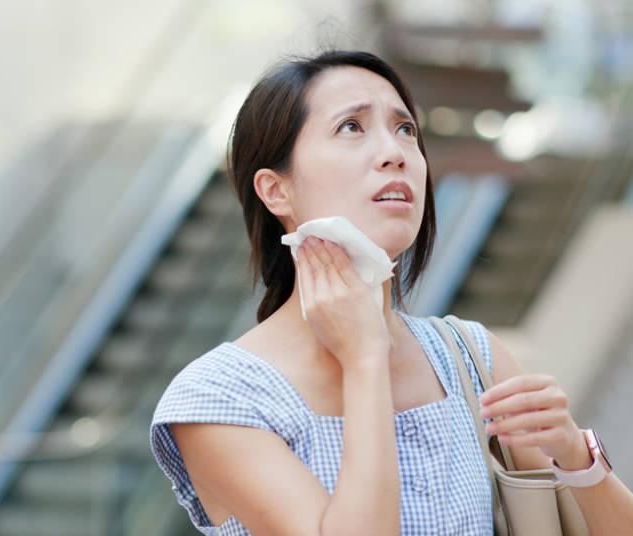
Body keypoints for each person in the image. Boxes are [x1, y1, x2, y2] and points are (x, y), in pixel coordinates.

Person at [149, 49, 633, 535]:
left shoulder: (472, 359)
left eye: (406, 130)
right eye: (351, 128)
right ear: (276, 190)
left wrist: (575, 455)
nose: (395, 152)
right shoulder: (221, 397)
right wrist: (364, 359)